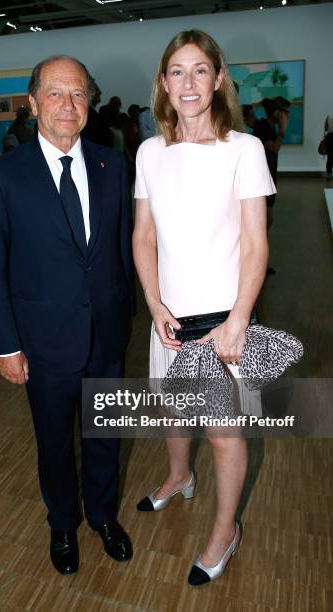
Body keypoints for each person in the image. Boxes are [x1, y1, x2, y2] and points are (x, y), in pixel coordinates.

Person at [0, 55, 135, 576]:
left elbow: (124, 252)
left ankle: (103, 517)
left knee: (106, 434)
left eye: (79, 94)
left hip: (107, 336)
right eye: (55, 94)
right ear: (32, 102)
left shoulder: (114, 166)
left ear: (90, 101)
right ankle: (63, 524)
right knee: (55, 442)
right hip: (42, 343)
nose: (68, 105)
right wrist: (6, 345)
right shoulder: (3, 176)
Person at [133, 30, 275, 587]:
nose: (187, 82)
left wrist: (240, 318)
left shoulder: (243, 149)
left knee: (222, 434)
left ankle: (225, 530)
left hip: (223, 321)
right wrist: (152, 301)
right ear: (163, 84)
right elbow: (144, 237)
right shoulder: (149, 151)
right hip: (168, 316)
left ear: (218, 79)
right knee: (171, 414)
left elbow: (257, 245)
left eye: (199, 70)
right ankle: (178, 478)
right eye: (176, 71)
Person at [253, 97, 290, 229]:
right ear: (276, 113)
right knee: (266, 220)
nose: (288, 116)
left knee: (267, 220)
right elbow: (274, 147)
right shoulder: (263, 127)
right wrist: (283, 130)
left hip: (268, 179)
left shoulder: (270, 127)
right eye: (285, 112)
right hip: (262, 181)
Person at [82, 77, 112, 147]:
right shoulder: (89, 115)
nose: (100, 92)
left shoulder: (93, 114)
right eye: (96, 89)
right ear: (89, 93)